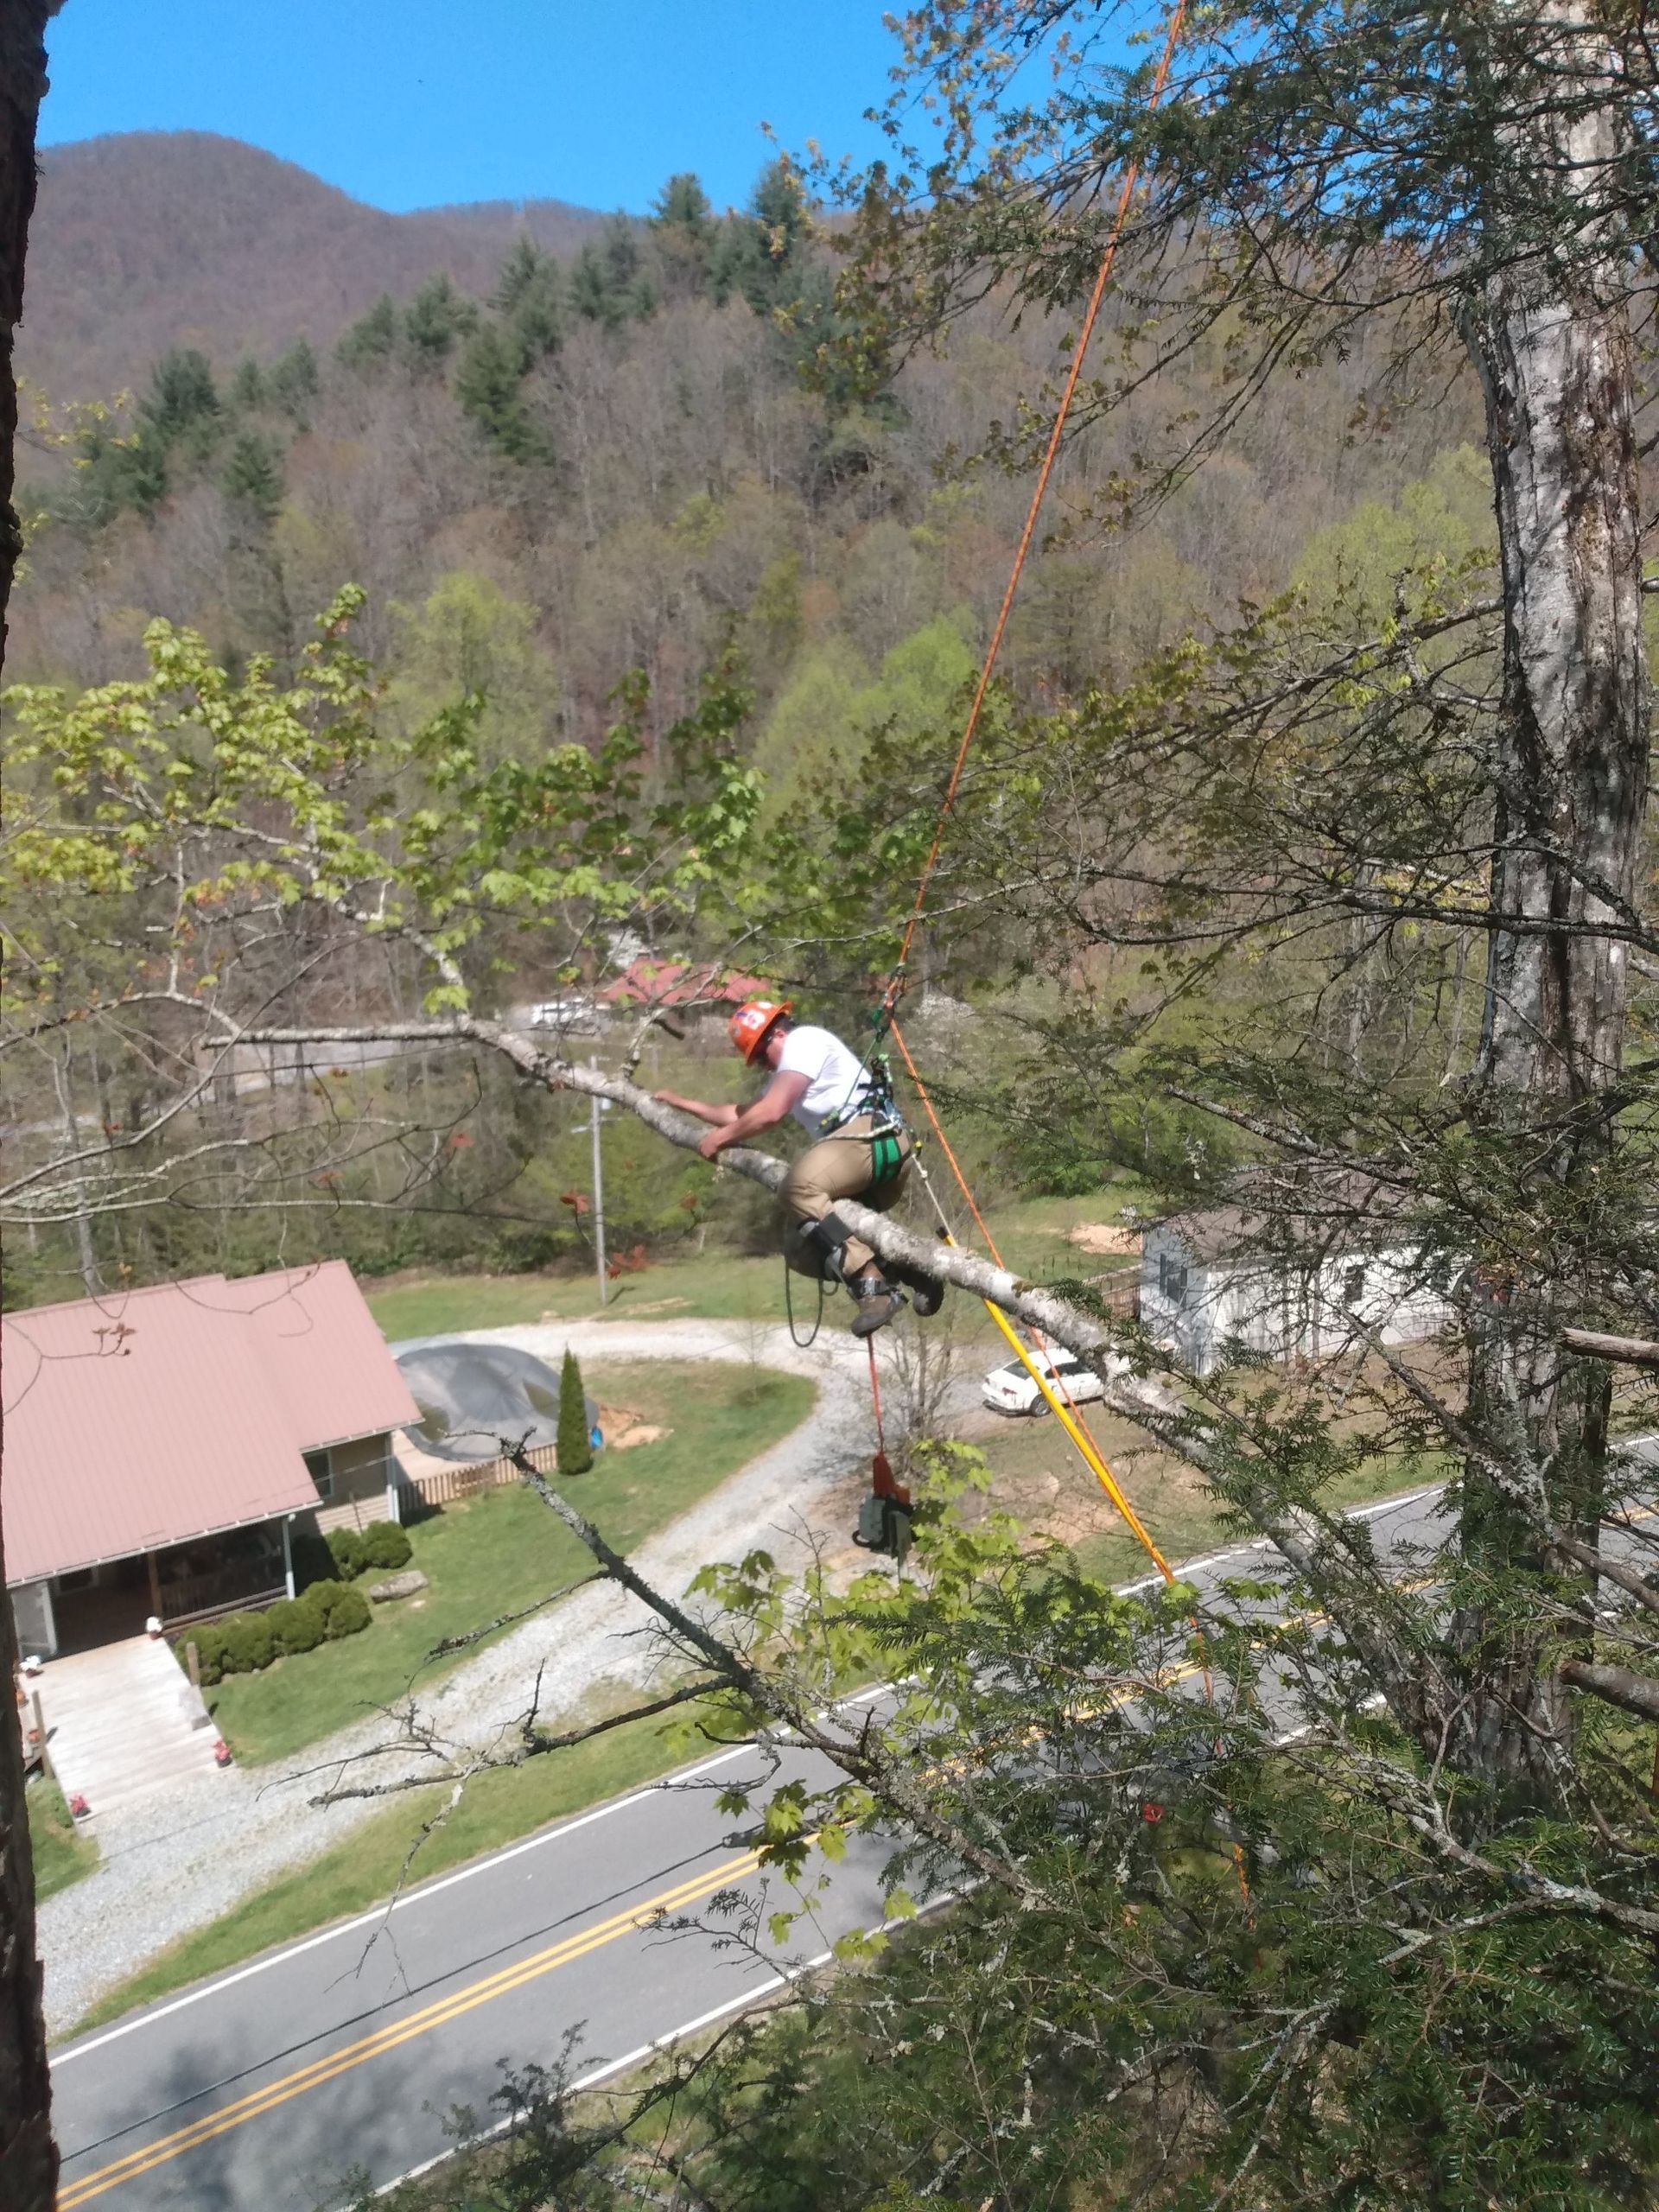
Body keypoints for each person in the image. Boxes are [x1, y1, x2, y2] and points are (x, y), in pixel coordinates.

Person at [654, 999, 944, 1338]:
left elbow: (771, 1112)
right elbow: (743, 1114)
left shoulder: (803, 1041)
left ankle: (870, 1283)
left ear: (776, 1033)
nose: (762, 1066)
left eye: (761, 1056)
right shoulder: (788, 1066)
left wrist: (720, 1139)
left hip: (873, 1137)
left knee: (796, 1187)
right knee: (800, 1250)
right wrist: (680, 1103)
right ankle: (909, 1272)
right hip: (856, 1155)